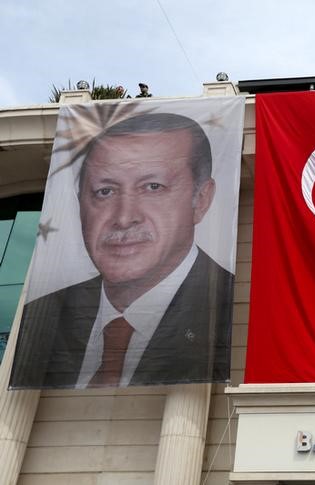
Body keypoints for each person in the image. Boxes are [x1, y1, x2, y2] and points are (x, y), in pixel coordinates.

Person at [10, 113, 232, 389]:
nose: (124, 218)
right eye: (105, 191)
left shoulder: (229, 306)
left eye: (153, 187)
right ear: (81, 204)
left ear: (200, 200)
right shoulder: (43, 317)